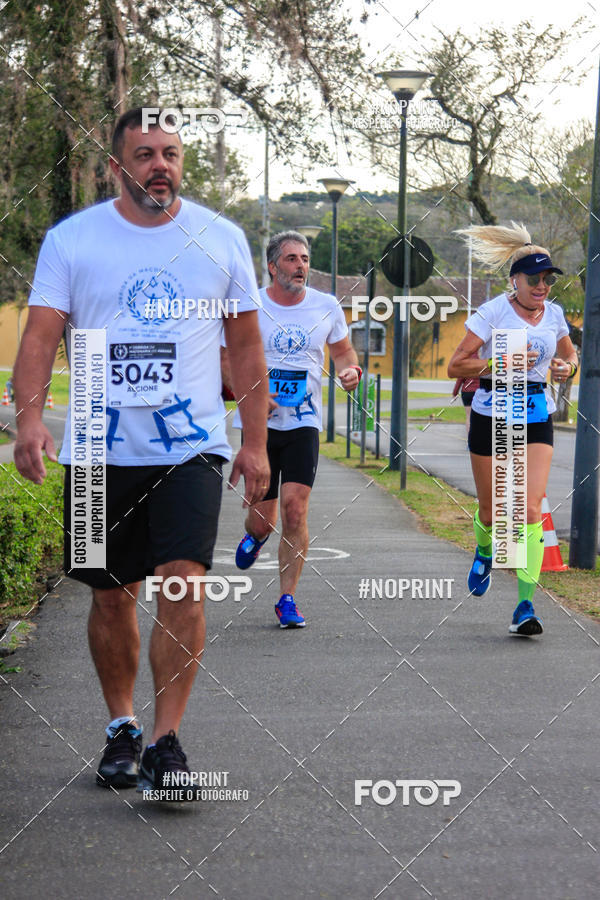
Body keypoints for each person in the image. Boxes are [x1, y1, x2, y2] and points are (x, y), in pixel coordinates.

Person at [13, 108, 270, 792]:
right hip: (97, 445)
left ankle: (166, 740)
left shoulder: (220, 238)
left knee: (184, 580)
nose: (161, 164)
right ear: (117, 166)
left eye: (172, 153)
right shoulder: (74, 240)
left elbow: (245, 345)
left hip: (189, 444)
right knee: (111, 597)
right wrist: (29, 420)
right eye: (146, 153)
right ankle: (123, 727)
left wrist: (254, 442)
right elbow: (41, 336)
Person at [222, 231, 361, 628]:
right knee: (264, 519)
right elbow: (224, 357)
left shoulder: (326, 306)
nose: (301, 266)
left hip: (303, 421)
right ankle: (257, 535)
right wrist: (249, 393)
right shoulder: (249, 306)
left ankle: (287, 599)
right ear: (272, 266)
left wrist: (350, 370)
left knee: (295, 510)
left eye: (305, 259)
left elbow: (343, 351)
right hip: (259, 424)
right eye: (291, 259)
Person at [448, 222, 578, 636]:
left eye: (547, 279)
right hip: (491, 414)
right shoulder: (492, 313)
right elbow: (456, 364)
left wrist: (565, 367)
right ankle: (485, 549)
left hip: (536, 413)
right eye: (534, 279)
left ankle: (524, 605)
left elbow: (569, 358)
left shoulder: (554, 315)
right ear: (514, 281)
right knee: (492, 510)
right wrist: (497, 364)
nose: (541, 286)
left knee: (529, 508)